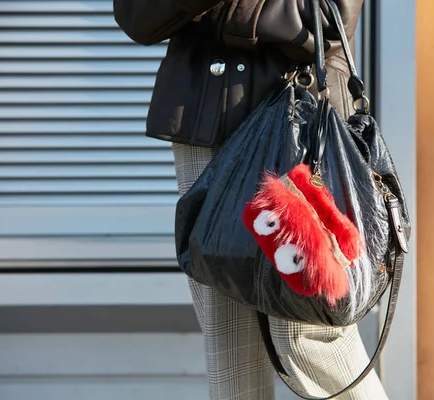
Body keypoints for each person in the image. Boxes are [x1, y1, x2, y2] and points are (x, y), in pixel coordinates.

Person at [114, 1, 388, 399]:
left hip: (302, 129)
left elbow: (327, 18)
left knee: (307, 335)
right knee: (228, 343)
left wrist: (213, 13)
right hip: (204, 127)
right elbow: (138, 15)